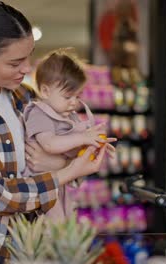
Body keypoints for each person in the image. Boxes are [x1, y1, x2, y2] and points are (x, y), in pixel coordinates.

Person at [0, 1, 114, 263]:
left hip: (27, 251)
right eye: (15, 63)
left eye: (28, 56)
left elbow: (50, 156)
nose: (27, 69)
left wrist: (67, 158)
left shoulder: (24, 98)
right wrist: (67, 170)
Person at [23, 49, 117, 222]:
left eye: (77, 95)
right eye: (68, 96)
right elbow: (50, 144)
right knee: (54, 228)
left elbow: (74, 149)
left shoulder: (68, 115)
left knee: (68, 221)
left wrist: (95, 143)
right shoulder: (38, 113)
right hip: (42, 186)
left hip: (61, 182)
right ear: (45, 91)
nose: (74, 102)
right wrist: (83, 138)